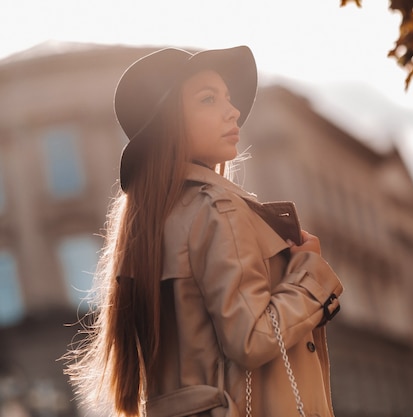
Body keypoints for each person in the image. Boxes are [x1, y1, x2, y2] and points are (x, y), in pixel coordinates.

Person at [64, 46, 343, 417]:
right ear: (170, 122)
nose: (233, 110)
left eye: (228, 98)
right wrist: (309, 277)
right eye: (208, 99)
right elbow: (252, 338)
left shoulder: (148, 225)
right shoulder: (219, 209)